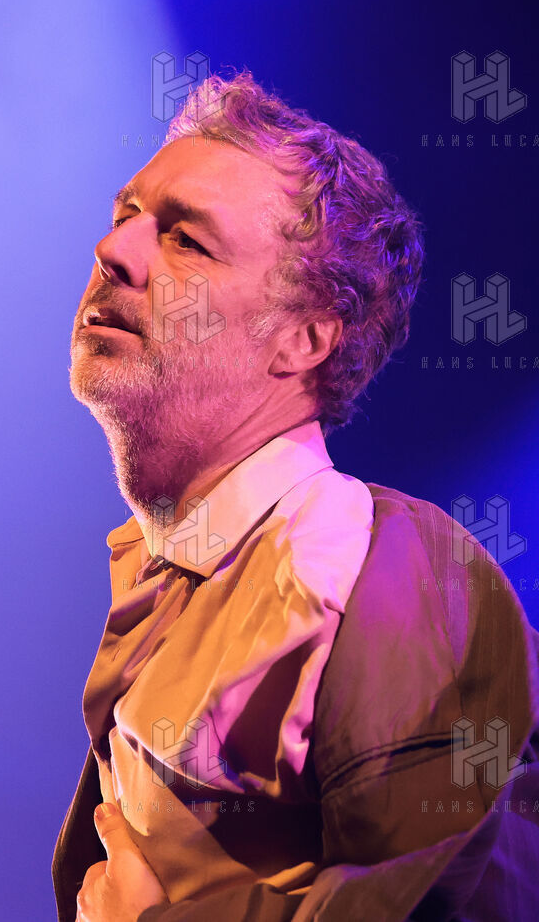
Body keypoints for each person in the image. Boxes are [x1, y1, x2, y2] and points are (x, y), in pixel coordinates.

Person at [53, 71, 539, 922]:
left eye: (186, 240)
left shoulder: (381, 569)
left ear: (304, 339)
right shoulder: (174, 566)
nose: (113, 249)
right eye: (126, 213)